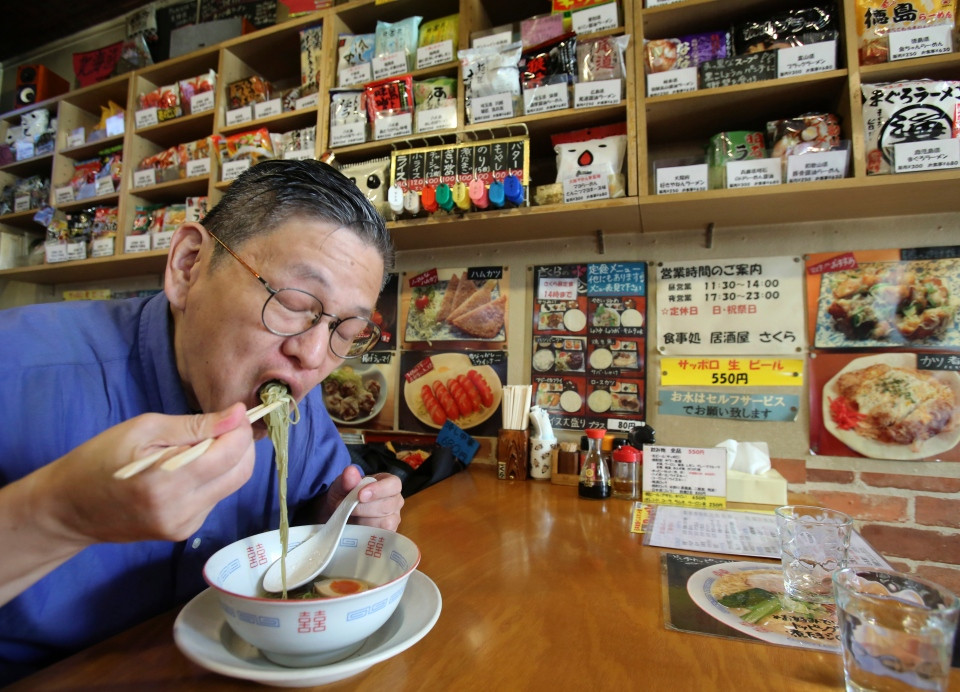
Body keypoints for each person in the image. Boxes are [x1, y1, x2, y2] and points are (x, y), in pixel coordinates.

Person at [0, 159, 403, 684]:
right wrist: (64, 513)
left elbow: (316, 529)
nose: (313, 354)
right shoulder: (18, 368)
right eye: (293, 302)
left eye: (346, 331)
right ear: (188, 265)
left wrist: (336, 524)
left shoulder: (297, 414)